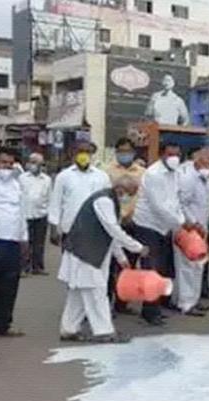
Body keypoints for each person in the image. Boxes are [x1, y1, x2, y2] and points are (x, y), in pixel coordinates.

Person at [60, 177, 149, 343]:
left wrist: (121, 257)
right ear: (120, 189)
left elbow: (110, 234)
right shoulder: (104, 201)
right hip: (86, 253)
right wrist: (137, 247)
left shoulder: (110, 201)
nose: (129, 198)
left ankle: (69, 329)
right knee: (97, 292)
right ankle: (104, 332)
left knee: (79, 294)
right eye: (130, 193)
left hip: (87, 253)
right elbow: (113, 229)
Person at [50, 140, 112, 337]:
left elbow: (108, 203)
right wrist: (54, 228)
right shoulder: (64, 177)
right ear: (72, 153)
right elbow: (55, 203)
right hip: (73, 235)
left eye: (87, 152)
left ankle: (69, 328)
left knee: (82, 282)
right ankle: (103, 330)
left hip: (97, 234)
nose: (83, 155)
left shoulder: (102, 177)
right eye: (80, 151)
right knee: (91, 283)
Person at [132, 143, 187, 326]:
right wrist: (180, 223)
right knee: (151, 268)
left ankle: (158, 304)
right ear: (161, 155)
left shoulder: (176, 173)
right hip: (148, 225)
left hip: (165, 226)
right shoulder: (154, 174)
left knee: (163, 268)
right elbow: (158, 206)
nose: (175, 158)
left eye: (178, 154)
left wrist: (178, 220)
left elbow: (175, 200)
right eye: (171, 154)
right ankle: (150, 311)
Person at [0, 148, 28, 338]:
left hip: (13, 240)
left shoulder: (17, 185)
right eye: (3, 163)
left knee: (9, 285)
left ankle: (3, 324)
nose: (7, 167)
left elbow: (21, 213)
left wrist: (24, 239)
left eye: (10, 164)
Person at [105, 137, 147, 315]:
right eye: (121, 151)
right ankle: (104, 302)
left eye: (127, 151)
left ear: (134, 152)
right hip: (113, 223)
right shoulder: (106, 171)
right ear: (116, 152)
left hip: (134, 223)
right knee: (109, 265)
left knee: (128, 264)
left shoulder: (143, 173)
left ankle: (122, 303)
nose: (124, 154)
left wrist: (133, 215)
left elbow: (145, 197)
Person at [174, 150, 209, 316]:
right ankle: (186, 303)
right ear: (195, 160)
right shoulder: (188, 178)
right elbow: (181, 203)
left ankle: (193, 300)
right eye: (205, 161)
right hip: (189, 228)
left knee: (198, 265)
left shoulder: (204, 179)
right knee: (187, 266)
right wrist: (193, 223)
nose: (208, 165)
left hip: (201, 228)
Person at [19, 153, 51, 276]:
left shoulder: (46, 180)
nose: (33, 165)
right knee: (25, 243)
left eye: (36, 162)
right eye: (32, 162)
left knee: (39, 243)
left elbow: (49, 197)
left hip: (40, 215)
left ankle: (38, 267)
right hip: (25, 214)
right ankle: (24, 267)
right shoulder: (22, 178)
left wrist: (48, 213)